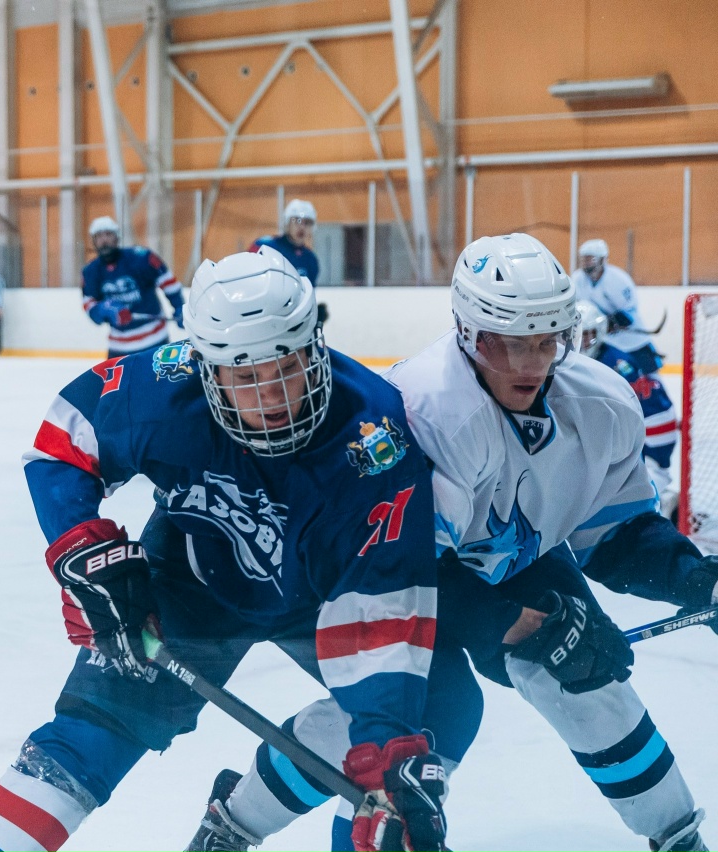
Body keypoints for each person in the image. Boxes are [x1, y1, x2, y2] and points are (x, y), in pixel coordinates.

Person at [187, 234, 714, 852]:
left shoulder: (602, 405)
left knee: (587, 685)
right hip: (367, 570)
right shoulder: (423, 411)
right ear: (469, 333)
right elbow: (402, 565)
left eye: (546, 341)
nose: (531, 364)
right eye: (509, 342)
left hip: (495, 557)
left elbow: (616, 534)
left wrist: (698, 580)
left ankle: (677, 836)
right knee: (432, 711)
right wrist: (520, 624)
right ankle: (238, 821)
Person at [0, 247, 451, 852]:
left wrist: (388, 747)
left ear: (315, 347)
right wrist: (81, 548)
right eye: (245, 377)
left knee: (432, 715)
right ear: (207, 370)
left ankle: (240, 825)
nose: (270, 396)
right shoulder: (166, 388)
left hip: (324, 601)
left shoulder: (374, 436)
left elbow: (385, 596)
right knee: (89, 739)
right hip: (190, 587)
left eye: (286, 367)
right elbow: (63, 441)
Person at [578, 300, 679, 518]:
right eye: (579, 334)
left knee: (621, 501)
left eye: (589, 334)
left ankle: (660, 495)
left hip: (653, 431)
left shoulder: (615, 363)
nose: (584, 341)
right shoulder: (601, 358)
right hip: (643, 428)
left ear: (601, 331)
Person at [81, 216, 183, 357]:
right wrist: (103, 309)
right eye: (99, 236)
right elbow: (89, 305)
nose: (104, 240)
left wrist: (180, 307)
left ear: (117, 237)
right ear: (94, 241)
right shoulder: (90, 271)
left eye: (108, 234)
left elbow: (168, 282)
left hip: (155, 343)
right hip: (118, 349)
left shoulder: (141, 257)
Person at [573, 238, 663, 377]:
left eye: (591, 258)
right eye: (584, 259)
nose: (586, 263)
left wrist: (609, 322)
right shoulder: (577, 279)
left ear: (603, 259)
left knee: (651, 378)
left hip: (632, 341)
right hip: (604, 343)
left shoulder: (618, 280)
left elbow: (628, 315)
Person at [250, 199, 325, 325]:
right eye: (297, 221)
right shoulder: (264, 246)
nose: (302, 227)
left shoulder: (311, 260)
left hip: (291, 325)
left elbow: (306, 298)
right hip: (262, 320)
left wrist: (313, 314)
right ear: (287, 222)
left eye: (307, 222)